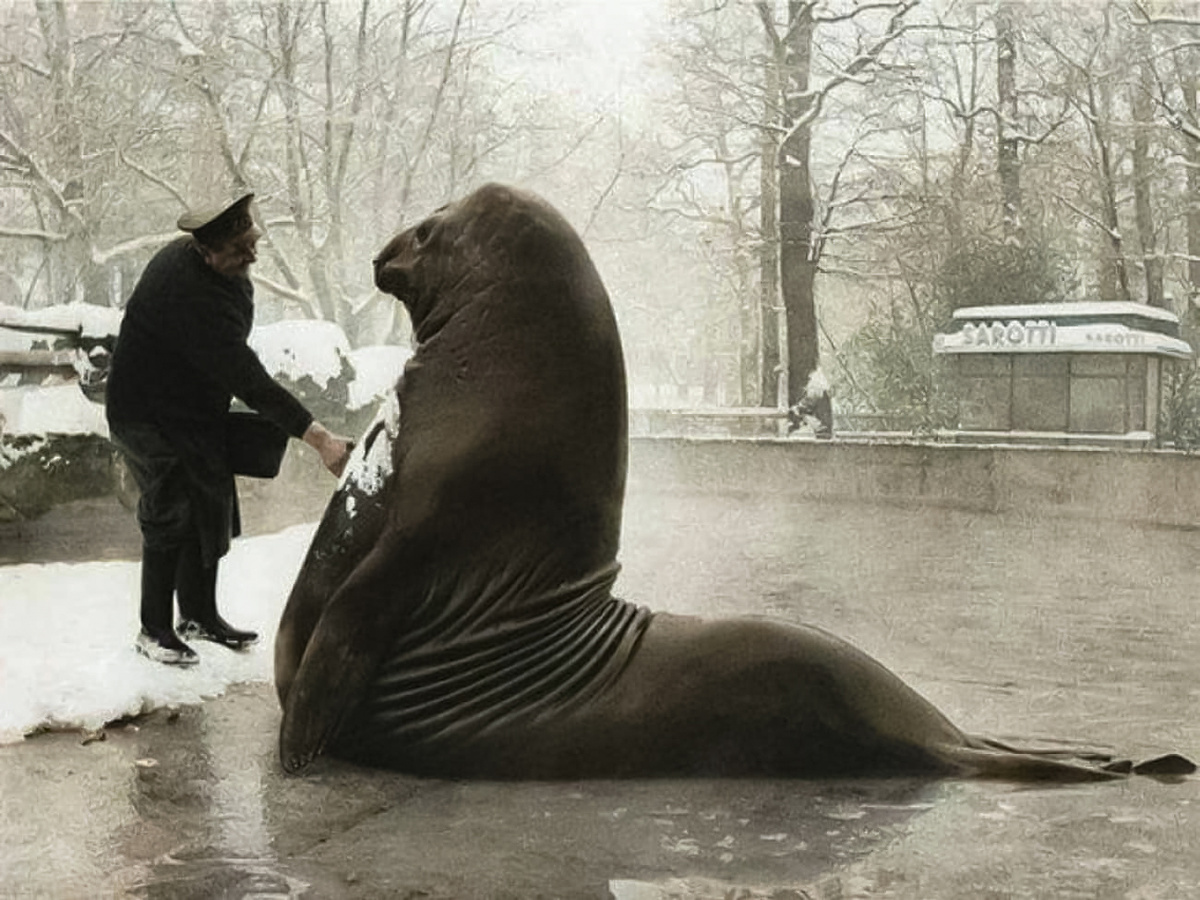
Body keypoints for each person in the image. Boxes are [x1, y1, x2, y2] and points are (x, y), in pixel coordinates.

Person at [106, 193, 353, 666]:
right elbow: (247, 376)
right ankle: (153, 629)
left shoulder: (219, 271)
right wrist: (318, 437)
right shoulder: (187, 291)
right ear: (204, 251)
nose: (252, 255)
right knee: (171, 506)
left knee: (211, 498)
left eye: (251, 240)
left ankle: (198, 615)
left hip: (192, 410)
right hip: (145, 414)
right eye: (239, 249)